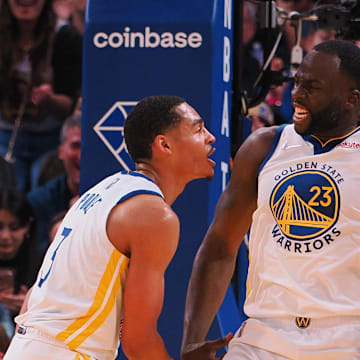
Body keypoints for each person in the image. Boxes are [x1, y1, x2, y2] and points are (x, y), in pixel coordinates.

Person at [181, 39, 360, 360]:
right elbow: (220, 245)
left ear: (352, 99)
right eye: (297, 82)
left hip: (348, 338)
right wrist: (192, 338)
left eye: (313, 87)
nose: (297, 95)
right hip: (264, 337)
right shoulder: (264, 146)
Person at [4, 95, 218, 360]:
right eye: (198, 130)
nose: (210, 137)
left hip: (28, 347)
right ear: (164, 145)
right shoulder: (154, 215)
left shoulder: (101, 192)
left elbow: (35, 295)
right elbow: (138, 342)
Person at [0, 0, 82, 191]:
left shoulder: (65, 37)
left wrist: (49, 100)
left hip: (50, 138)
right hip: (5, 136)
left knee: (44, 185)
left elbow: (71, 105)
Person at [27, 113, 81, 254]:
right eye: (76, 146)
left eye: (88, 148)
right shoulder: (38, 201)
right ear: (61, 152)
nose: (81, 156)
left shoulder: (115, 198)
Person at [0, 188, 40, 332]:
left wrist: (32, 307)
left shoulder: (43, 264)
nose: (5, 236)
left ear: (27, 226)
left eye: (14, 227)